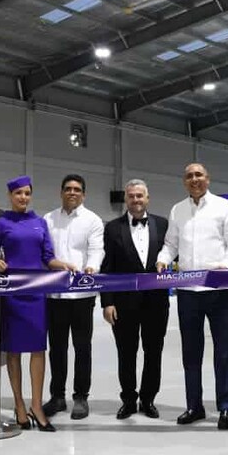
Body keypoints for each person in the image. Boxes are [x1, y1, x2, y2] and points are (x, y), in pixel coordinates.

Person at [0, 176, 75, 432]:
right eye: (18, 193)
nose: (23, 197)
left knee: (38, 349)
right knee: (13, 351)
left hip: (36, 294)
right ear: (10, 196)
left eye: (27, 193)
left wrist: (62, 265)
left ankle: (36, 405)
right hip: (12, 293)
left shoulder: (40, 222)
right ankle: (19, 405)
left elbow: (48, 257)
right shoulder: (0, 223)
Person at [156, 163, 228, 430]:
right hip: (187, 291)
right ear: (184, 181)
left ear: (208, 178)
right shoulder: (177, 209)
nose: (194, 179)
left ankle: (225, 407)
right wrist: (162, 259)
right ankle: (194, 406)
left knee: (224, 351)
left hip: (218, 290)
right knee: (191, 352)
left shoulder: (223, 207)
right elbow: (171, 244)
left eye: (199, 175)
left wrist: (224, 266)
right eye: (189, 176)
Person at [100, 179, 169, 420]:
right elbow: (107, 267)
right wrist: (107, 302)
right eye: (131, 196)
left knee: (154, 352)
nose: (136, 200)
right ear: (126, 199)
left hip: (156, 302)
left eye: (140, 195)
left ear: (147, 198)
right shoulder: (112, 228)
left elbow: (171, 255)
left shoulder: (163, 224)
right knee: (126, 353)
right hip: (123, 304)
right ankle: (128, 400)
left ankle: (148, 399)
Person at [43, 174, 104, 420]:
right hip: (54, 295)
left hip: (82, 295)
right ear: (61, 192)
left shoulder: (93, 220)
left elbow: (96, 250)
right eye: (68, 188)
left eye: (77, 189)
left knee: (82, 348)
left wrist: (92, 267)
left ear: (83, 194)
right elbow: (44, 252)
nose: (72, 192)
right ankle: (57, 397)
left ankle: (81, 397)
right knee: (56, 348)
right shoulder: (48, 219)